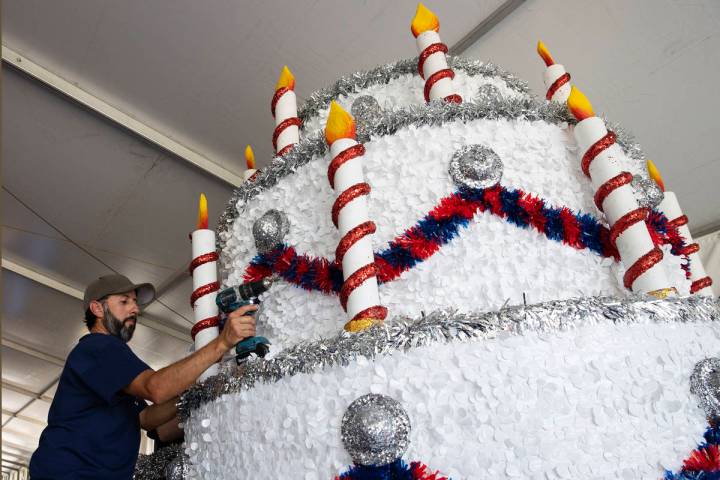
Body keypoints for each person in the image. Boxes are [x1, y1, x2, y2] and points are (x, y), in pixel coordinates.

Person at [29, 274, 256, 479]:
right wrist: (222, 342)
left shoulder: (110, 358)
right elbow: (156, 388)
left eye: (135, 302)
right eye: (124, 301)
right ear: (97, 309)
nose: (135, 309)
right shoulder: (99, 348)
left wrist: (193, 389)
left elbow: (145, 418)